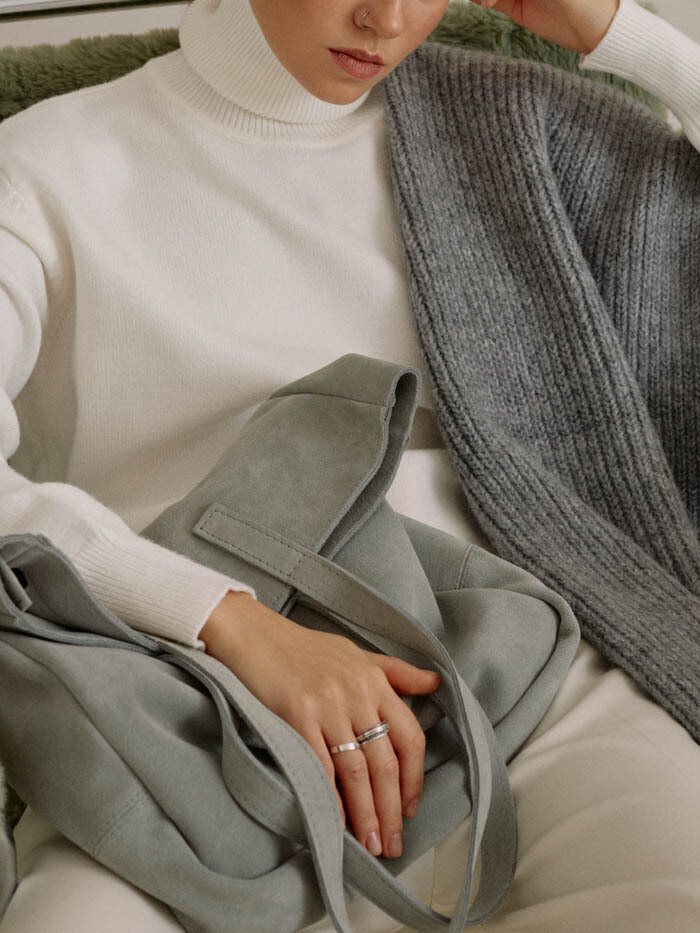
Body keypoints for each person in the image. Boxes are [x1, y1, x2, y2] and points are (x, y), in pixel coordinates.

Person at [0, 0, 699, 930]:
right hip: (182, 718)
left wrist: (626, 38)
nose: (387, 16)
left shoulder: (510, 130)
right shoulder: (45, 168)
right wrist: (226, 620)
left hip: (524, 678)